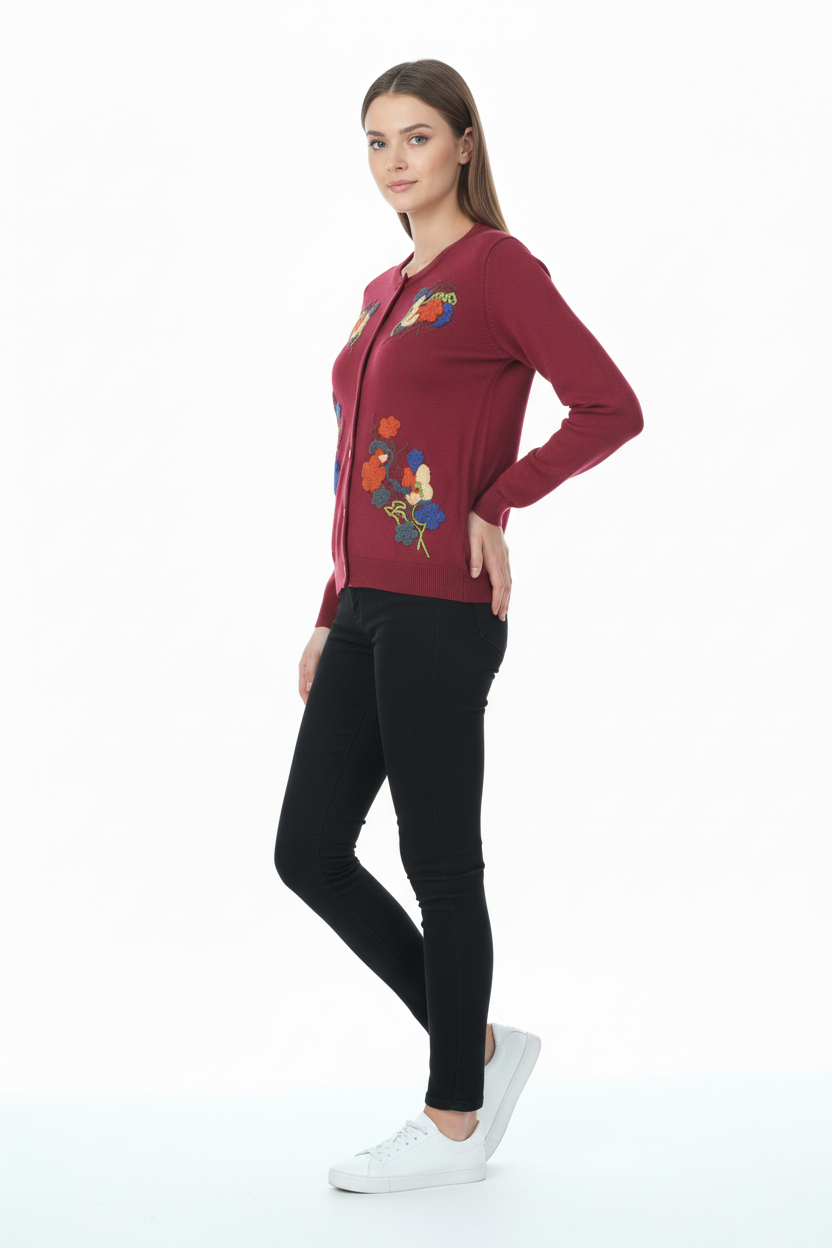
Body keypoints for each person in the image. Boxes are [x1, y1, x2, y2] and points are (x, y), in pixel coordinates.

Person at [274, 57, 643, 1195]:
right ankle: (475, 1040)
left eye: (418, 136)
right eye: (376, 140)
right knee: (307, 852)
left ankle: (452, 1122)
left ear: (465, 143)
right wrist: (330, 608)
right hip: (365, 606)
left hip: (442, 609)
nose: (394, 160)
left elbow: (609, 405)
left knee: (437, 860)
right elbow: (359, 463)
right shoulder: (384, 288)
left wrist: (499, 501)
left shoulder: (496, 269)